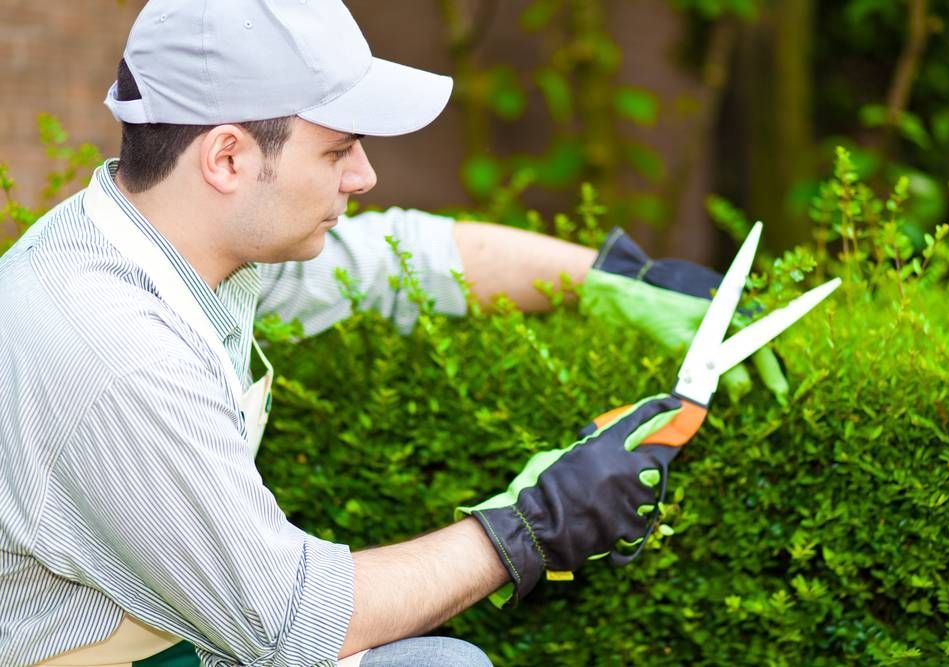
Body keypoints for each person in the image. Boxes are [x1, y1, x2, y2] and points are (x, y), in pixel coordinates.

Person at [0, 2, 784, 665]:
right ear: (228, 157)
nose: (363, 176)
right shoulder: (115, 353)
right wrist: (531, 526)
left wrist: (612, 278)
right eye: (337, 148)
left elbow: (398, 259)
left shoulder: (173, 239)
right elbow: (290, 621)